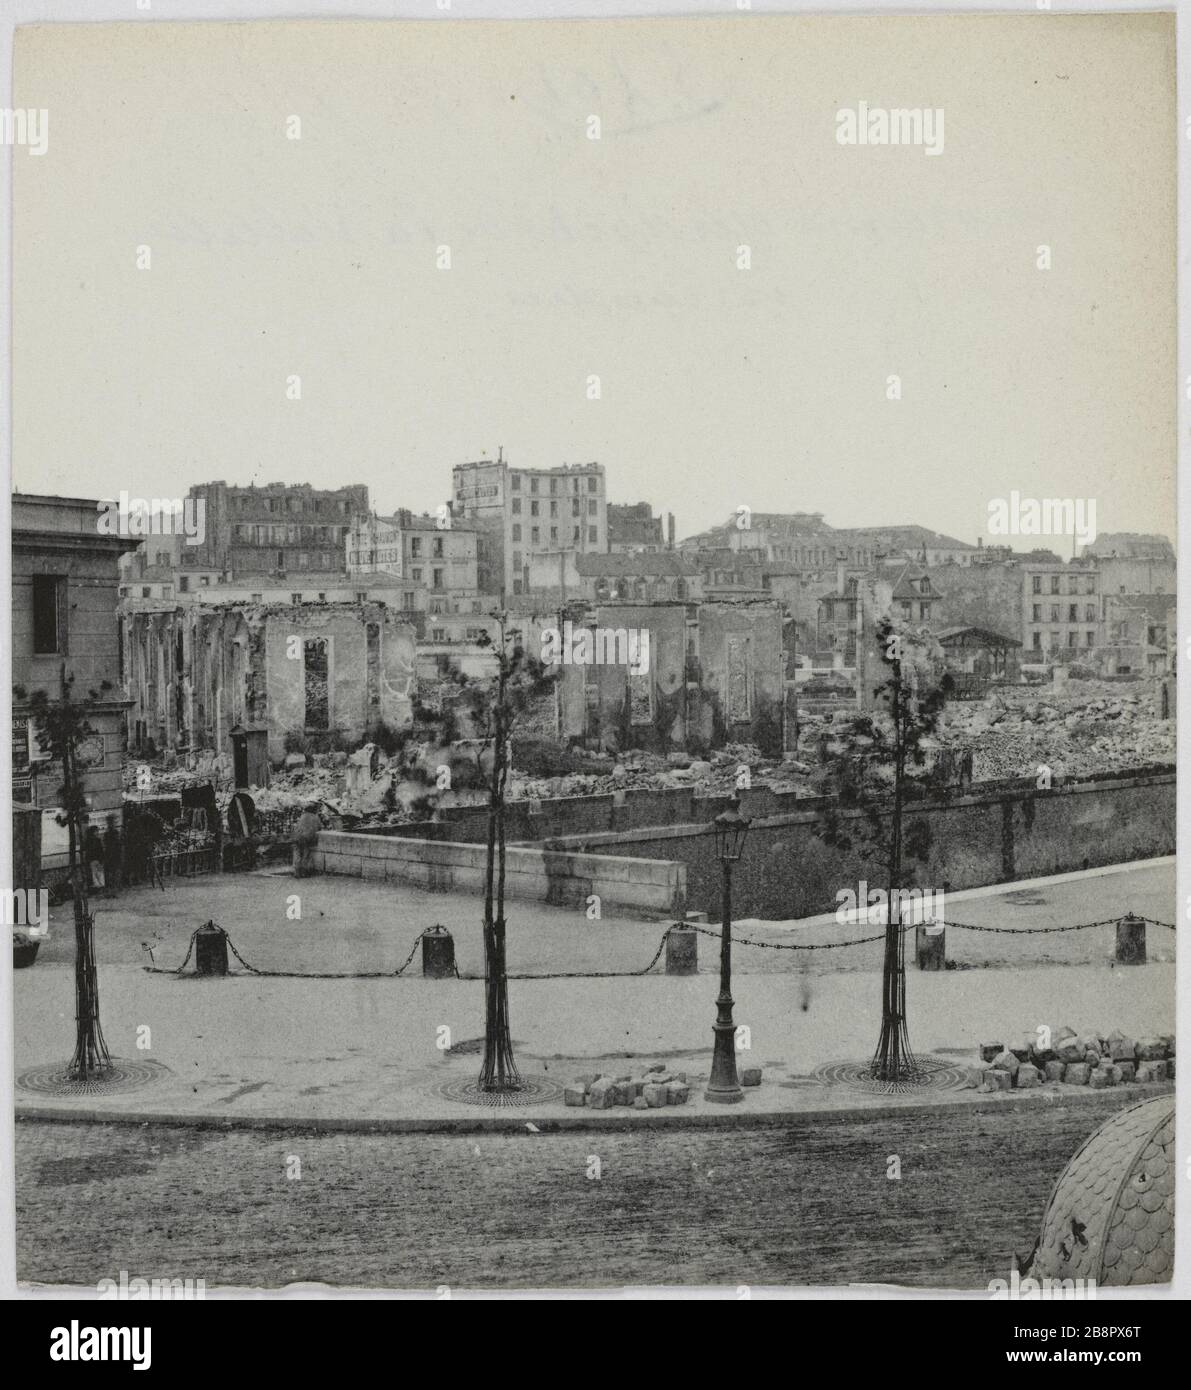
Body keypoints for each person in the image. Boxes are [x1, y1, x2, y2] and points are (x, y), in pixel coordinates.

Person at [292, 802, 322, 878]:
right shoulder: (316, 817)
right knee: (306, 854)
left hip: (297, 837)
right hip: (307, 838)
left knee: (297, 853)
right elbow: (319, 828)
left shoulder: (302, 816)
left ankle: (296, 872)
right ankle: (304, 872)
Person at [103, 814, 123, 897]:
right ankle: (113, 891)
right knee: (112, 873)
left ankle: (113, 891)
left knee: (113, 873)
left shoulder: (111, 833)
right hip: (112, 855)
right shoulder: (111, 833)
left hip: (113, 855)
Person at [84, 825, 106, 895]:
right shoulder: (89, 841)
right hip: (93, 860)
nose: (97, 833)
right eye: (96, 831)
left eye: (97, 831)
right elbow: (88, 851)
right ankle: (98, 888)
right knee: (95, 874)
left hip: (98, 859)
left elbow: (101, 850)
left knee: (100, 873)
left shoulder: (97, 840)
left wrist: (102, 859)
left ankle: (101, 887)